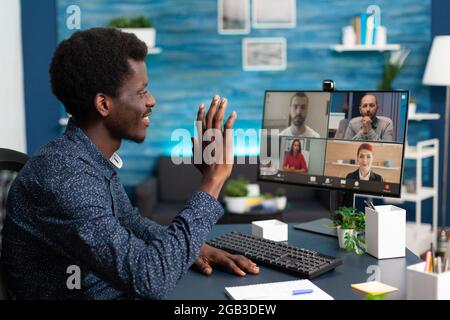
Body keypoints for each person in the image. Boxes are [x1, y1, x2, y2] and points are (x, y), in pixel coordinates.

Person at [0, 28, 259, 300]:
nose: (151, 100)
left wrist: (192, 246)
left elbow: (128, 221)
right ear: (103, 103)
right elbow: (150, 278)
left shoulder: (87, 157)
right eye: (141, 92)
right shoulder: (66, 176)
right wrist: (212, 181)